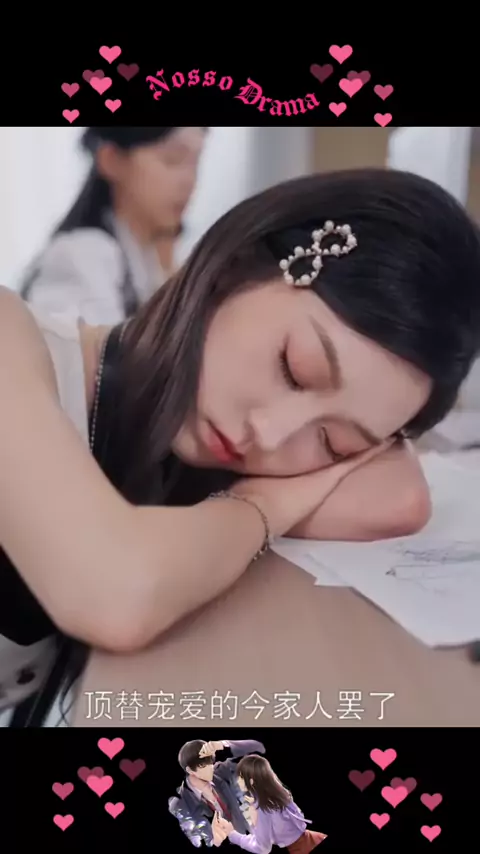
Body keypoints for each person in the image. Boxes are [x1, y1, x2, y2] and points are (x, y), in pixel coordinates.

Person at [1, 167, 480, 724]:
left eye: (333, 442)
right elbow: (117, 593)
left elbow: (402, 499)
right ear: (237, 264)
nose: (270, 434)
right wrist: (264, 504)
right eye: (293, 369)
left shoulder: (173, 458)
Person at [20, 126, 206, 323]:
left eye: (195, 162)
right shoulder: (85, 254)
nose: (189, 180)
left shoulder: (155, 256)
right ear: (111, 159)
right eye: (173, 159)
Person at [213, 754, 327, 853]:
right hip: (315, 837)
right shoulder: (278, 792)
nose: (238, 781)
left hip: (302, 849)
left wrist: (233, 834)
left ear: (251, 781)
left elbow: (262, 848)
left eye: (241, 777)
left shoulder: (260, 808)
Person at [168, 739, 266, 847]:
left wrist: (222, 745)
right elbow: (196, 841)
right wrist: (214, 841)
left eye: (211, 761)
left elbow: (258, 748)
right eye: (202, 765)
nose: (210, 768)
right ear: (190, 770)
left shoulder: (221, 772)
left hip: (250, 841)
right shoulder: (180, 804)